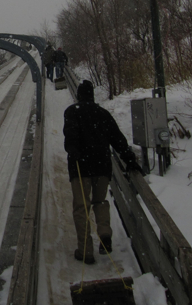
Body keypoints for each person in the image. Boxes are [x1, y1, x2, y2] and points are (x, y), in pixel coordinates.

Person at [63, 80, 144, 264]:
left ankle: (86, 251)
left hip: (80, 167)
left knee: (81, 207)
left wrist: (73, 149)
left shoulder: (72, 112)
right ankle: (105, 233)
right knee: (100, 202)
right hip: (102, 167)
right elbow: (118, 140)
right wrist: (130, 159)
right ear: (92, 95)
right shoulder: (103, 114)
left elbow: (70, 136)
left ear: (79, 95)